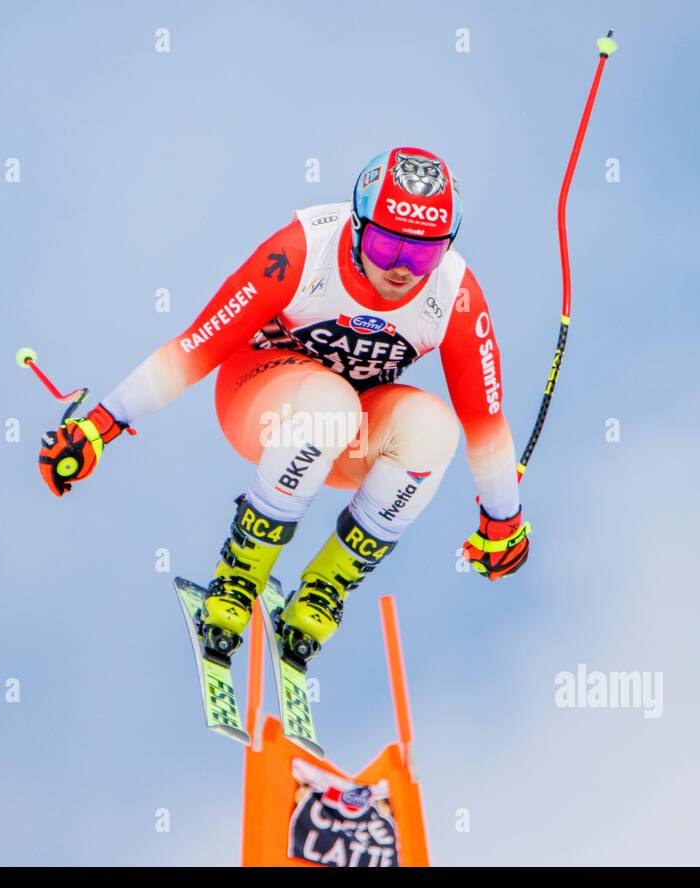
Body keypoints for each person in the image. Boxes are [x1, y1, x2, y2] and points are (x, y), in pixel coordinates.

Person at [38, 146, 529, 663]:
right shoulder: (303, 251)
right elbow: (197, 347)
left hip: (350, 434)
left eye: (423, 254)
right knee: (330, 404)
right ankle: (239, 574)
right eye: (387, 248)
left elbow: (485, 422)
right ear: (359, 226)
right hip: (261, 401)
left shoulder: (455, 293)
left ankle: (326, 587)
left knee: (434, 429)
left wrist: (504, 520)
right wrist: (103, 422)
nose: (403, 270)